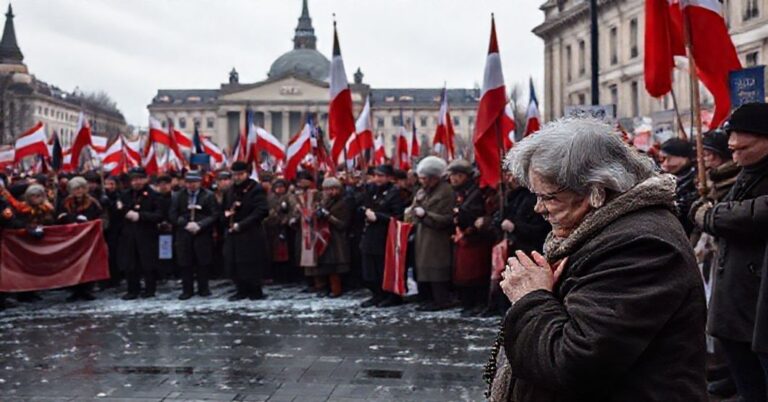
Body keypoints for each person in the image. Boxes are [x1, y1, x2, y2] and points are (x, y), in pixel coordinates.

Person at [488, 118, 706, 401]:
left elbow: (573, 363)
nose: (538, 208)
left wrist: (531, 298)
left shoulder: (641, 245)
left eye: (550, 197)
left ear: (596, 190)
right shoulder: (599, 229)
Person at [691, 103, 768, 402]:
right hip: (736, 309)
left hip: (757, 308)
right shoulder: (745, 173)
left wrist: (708, 216)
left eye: (741, 137)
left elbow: (746, 216)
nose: (732, 143)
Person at [405, 156, 455, 311]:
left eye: (424, 178)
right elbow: (413, 209)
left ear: (434, 178)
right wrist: (414, 210)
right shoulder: (423, 190)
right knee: (424, 267)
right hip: (423, 234)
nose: (421, 181)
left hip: (437, 237)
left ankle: (441, 300)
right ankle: (428, 298)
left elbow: (445, 218)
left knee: (436, 269)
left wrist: (425, 215)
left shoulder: (445, 191)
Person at [446, 159, 493, 316]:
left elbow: (482, 212)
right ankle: (468, 303)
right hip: (464, 237)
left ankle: (478, 303)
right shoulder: (461, 192)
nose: (454, 178)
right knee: (464, 274)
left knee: (477, 274)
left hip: (476, 238)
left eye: (458, 175)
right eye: (452, 175)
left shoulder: (477, 191)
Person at [359, 165, 407, 307]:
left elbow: (398, 216)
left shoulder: (395, 193)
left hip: (386, 235)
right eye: (375, 175)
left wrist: (378, 217)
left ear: (389, 177)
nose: (377, 179)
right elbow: (362, 204)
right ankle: (377, 294)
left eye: (381, 176)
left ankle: (391, 296)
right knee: (370, 269)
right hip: (370, 233)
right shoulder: (372, 190)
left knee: (383, 268)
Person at [222, 161, 270, 301]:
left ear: (247, 174)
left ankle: (255, 291)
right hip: (233, 233)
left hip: (250, 233)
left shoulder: (255, 189)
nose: (237, 177)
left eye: (240, 174)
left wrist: (242, 224)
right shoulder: (230, 190)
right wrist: (226, 220)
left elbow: (261, 211)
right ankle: (241, 290)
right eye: (234, 174)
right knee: (234, 262)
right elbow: (225, 208)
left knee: (251, 263)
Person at [169, 170, 219, 300]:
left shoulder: (208, 195)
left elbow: (214, 215)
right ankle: (187, 290)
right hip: (184, 234)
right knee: (185, 263)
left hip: (202, 233)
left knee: (203, 262)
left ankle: (204, 288)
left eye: (195, 182)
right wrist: (185, 224)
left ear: (200, 182)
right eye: (189, 182)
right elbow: (173, 215)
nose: (192, 185)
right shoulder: (177, 196)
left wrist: (200, 225)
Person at [118, 167, 163, 300]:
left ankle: (150, 289)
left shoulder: (154, 195)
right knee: (130, 264)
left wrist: (141, 216)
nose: (136, 182)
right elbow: (119, 210)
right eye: (134, 179)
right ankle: (132, 290)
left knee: (148, 263)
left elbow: (159, 215)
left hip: (147, 234)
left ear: (145, 179)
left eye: (139, 179)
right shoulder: (125, 195)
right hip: (128, 234)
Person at [57, 176, 104, 302]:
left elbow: (99, 216)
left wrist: (88, 220)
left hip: (88, 238)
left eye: (81, 188)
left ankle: (87, 289)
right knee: (72, 263)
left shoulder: (93, 202)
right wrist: (70, 219)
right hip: (71, 238)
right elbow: (60, 217)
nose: (78, 191)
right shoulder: (65, 202)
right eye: (75, 188)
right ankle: (74, 290)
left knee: (88, 263)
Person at [308, 177, 351, 297]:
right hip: (323, 237)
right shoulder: (325, 201)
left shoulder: (344, 201)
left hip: (336, 238)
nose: (330, 192)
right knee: (324, 264)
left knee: (335, 267)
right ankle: (324, 288)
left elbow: (343, 223)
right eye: (326, 189)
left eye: (332, 189)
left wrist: (328, 216)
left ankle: (336, 289)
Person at [659, 137, 698, 236]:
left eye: (670, 158)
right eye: (662, 159)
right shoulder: (664, 178)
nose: (666, 164)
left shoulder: (696, 180)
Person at [264, 178, 297, 283]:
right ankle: (276, 275)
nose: (279, 189)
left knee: (287, 253)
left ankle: (289, 276)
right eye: (277, 187)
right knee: (274, 253)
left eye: (281, 187)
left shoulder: (289, 197)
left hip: (286, 228)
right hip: (272, 229)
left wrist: (286, 219)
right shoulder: (269, 198)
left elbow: (294, 210)